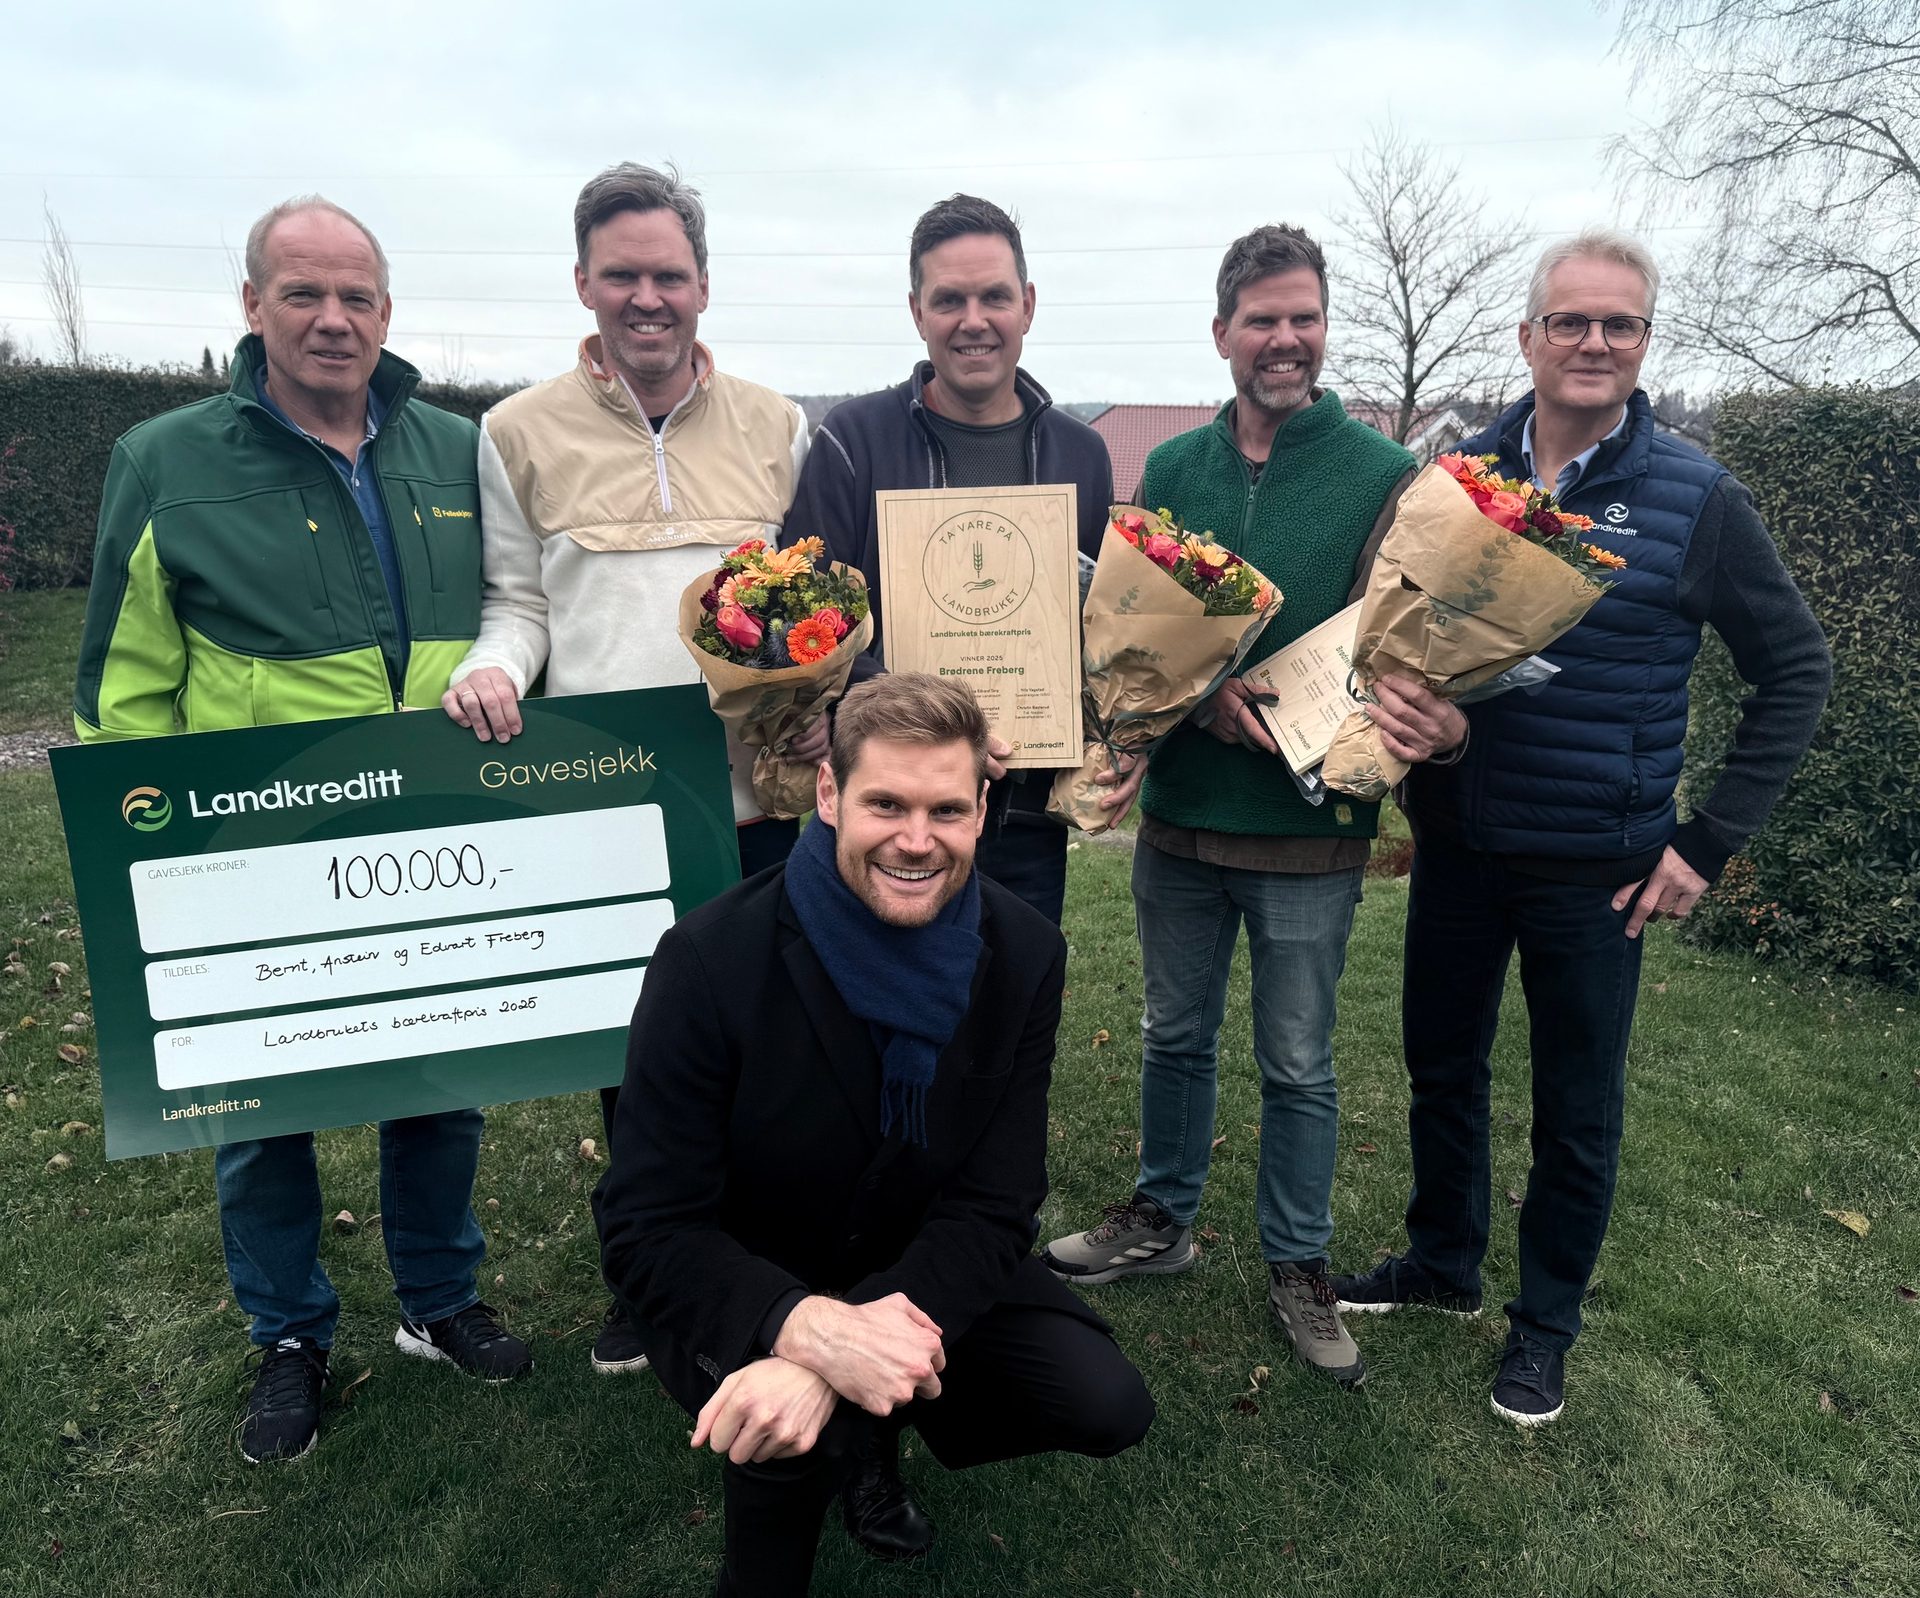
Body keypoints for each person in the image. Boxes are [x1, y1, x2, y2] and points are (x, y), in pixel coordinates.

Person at [1331, 228, 1832, 1426]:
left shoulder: (1697, 498)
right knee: (1441, 1067)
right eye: (1571, 321)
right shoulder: (1453, 476)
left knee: (1577, 1102)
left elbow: (1797, 670)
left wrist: (1705, 843)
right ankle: (1443, 1261)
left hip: (1600, 865)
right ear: (1529, 337)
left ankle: (1543, 1323)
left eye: (1621, 323)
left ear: (1647, 341)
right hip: (1457, 842)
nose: (1594, 341)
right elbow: (1388, 632)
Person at [73, 196, 528, 1464]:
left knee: (443, 1072)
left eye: (358, 297)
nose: (334, 320)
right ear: (253, 304)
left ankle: (438, 1300)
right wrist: (146, 843)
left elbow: (510, 604)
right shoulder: (165, 460)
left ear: (389, 310)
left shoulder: (455, 447)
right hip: (255, 845)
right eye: (304, 295)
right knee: (260, 1100)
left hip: (433, 819)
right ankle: (289, 1332)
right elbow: (123, 685)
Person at [592, 674, 1153, 1597]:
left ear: (983, 808)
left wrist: (838, 1356)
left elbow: (997, 1201)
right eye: (884, 803)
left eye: (944, 809)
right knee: (782, 1430)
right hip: (750, 1264)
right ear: (828, 795)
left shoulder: (1024, 954)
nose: (915, 839)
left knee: (1106, 1402)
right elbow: (647, 1227)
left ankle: (863, 1425)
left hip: (917, 1253)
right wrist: (794, 1326)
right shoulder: (706, 959)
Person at [1043, 224, 1464, 1388]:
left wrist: (1314, 716)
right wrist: (1204, 692)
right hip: (1181, 813)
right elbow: (1131, 626)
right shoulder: (1172, 470)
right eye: (1262, 319)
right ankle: (1162, 1217)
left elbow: (1399, 654)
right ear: (1221, 332)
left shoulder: (1388, 478)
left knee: (1297, 1061)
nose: (1285, 339)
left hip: (1308, 833)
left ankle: (1300, 1263)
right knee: (1172, 1034)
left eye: (1304, 317)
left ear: (1325, 327)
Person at [440, 162, 812, 1378]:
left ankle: (762, 1264)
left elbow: (815, 601)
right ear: (585, 283)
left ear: (703, 284)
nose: (646, 298)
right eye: (622, 276)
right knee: (638, 1061)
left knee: (769, 1046)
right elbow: (515, 598)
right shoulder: (517, 429)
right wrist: (495, 665)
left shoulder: (778, 423)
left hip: (762, 799)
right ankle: (649, 1278)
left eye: (668, 275)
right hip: (611, 806)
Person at [781, 194, 1137, 925]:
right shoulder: (855, 439)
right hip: (889, 814)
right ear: (917, 312)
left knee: (1012, 1011)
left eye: (995, 297)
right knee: (876, 1017)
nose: (973, 320)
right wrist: (923, 718)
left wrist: (1121, 740)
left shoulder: (1081, 454)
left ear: (1028, 305)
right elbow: (807, 629)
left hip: (1024, 820)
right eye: (949, 299)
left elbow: (1099, 631)